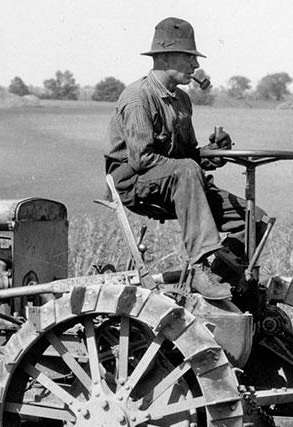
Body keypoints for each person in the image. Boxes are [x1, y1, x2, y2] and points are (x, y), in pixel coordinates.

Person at [106, 16, 264, 300]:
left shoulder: (182, 100)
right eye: (189, 58)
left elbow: (188, 156)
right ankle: (200, 264)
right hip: (135, 183)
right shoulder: (138, 97)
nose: (195, 66)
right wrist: (189, 166)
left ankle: (221, 280)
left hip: (177, 180)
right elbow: (141, 159)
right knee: (187, 170)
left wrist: (215, 152)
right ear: (165, 57)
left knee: (253, 220)